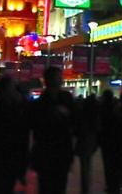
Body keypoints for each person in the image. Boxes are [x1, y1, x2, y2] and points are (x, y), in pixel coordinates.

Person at [29, 66, 76, 194]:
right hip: (48, 152)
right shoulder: (41, 103)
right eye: (59, 77)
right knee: (48, 186)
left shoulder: (65, 98)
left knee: (58, 185)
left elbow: (75, 120)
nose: (61, 80)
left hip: (60, 151)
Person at [98, 90, 122, 193]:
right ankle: (117, 184)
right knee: (116, 164)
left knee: (108, 164)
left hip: (106, 140)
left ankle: (110, 184)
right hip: (116, 140)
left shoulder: (102, 109)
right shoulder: (116, 109)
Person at [75, 94, 100, 194]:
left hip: (83, 139)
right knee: (88, 163)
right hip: (91, 139)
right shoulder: (95, 114)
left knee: (84, 164)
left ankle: (85, 187)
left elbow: (77, 128)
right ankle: (87, 185)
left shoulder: (82, 114)